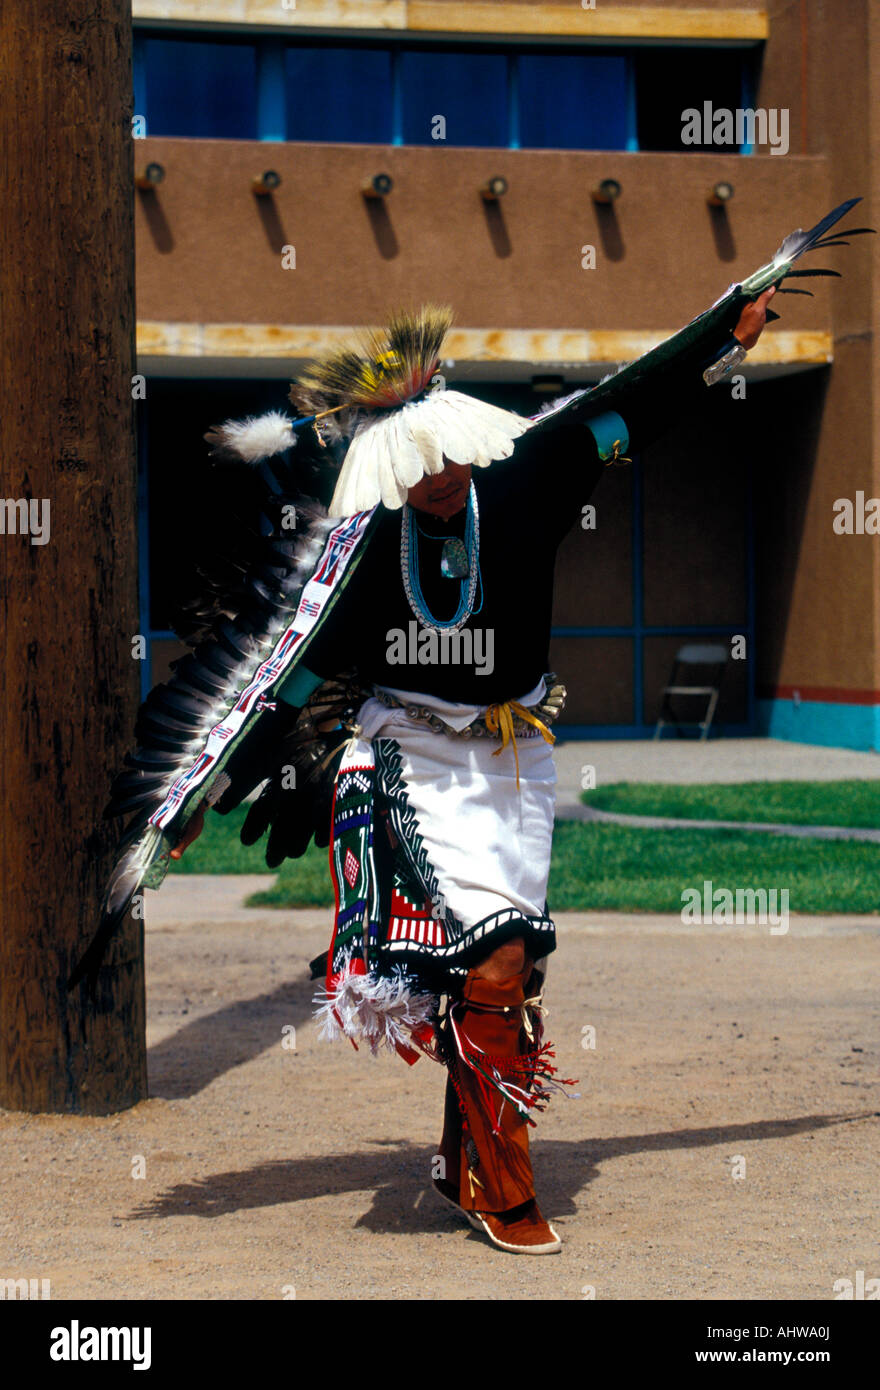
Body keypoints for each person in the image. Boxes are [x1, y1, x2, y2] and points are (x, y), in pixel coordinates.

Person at [168, 290, 774, 1255]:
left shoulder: (527, 477)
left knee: (512, 966)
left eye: (447, 456)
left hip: (512, 752)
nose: (439, 479)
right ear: (382, 469)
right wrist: (201, 794)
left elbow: (628, 411)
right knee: (491, 963)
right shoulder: (362, 552)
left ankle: (462, 1165)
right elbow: (287, 686)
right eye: (415, 468)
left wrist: (721, 347)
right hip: (404, 753)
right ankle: (505, 1187)